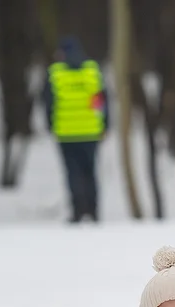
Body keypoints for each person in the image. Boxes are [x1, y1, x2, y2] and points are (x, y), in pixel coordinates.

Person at [43, 36, 108, 223]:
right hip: (91, 131)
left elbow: (48, 103)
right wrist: (105, 123)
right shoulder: (92, 71)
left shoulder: (56, 74)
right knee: (91, 172)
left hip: (66, 133)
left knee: (73, 173)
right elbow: (102, 100)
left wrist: (50, 124)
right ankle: (94, 211)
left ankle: (78, 211)